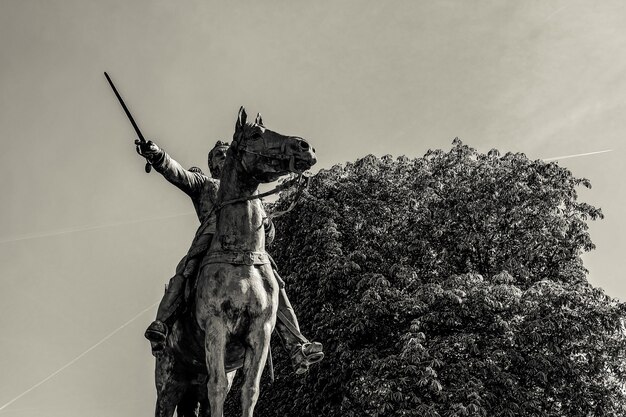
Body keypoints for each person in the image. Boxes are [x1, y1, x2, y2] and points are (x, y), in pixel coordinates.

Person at [136, 139, 324, 374]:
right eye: (219, 155)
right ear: (212, 164)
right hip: (213, 240)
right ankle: (162, 325)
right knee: (187, 270)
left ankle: (296, 346)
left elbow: (270, 234)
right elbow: (178, 173)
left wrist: (266, 222)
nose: (225, 157)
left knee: (275, 283)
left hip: (250, 250)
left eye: (227, 153)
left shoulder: (250, 192)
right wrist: (158, 155)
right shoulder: (205, 183)